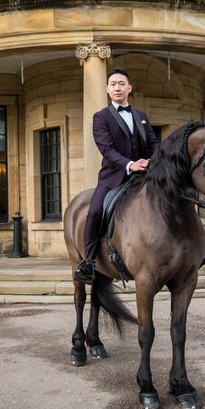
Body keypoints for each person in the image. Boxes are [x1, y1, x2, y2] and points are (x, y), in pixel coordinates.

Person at [74, 68, 159, 284]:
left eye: (122, 83)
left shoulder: (141, 116)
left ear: (129, 88)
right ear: (107, 89)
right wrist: (131, 164)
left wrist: (153, 161)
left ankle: (187, 252)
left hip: (145, 175)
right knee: (93, 212)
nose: (117, 87)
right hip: (113, 177)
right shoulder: (101, 117)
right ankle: (89, 262)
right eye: (113, 84)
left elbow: (153, 144)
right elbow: (107, 150)